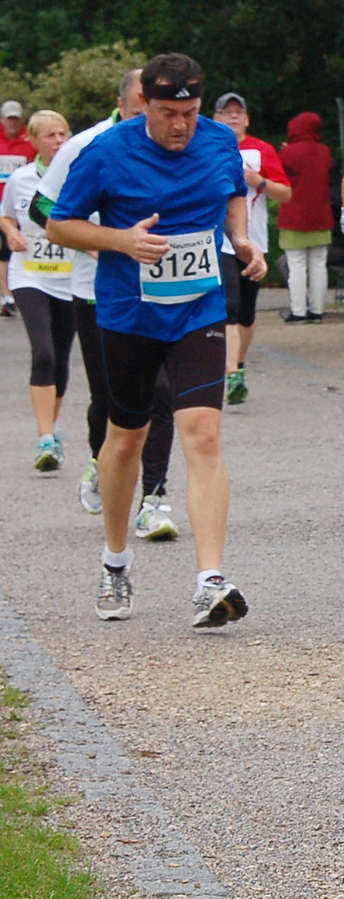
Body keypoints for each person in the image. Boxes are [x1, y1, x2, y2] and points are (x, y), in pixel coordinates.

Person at [48, 52, 269, 627]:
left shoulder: (219, 142)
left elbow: (233, 192)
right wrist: (122, 241)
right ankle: (115, 561)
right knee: (126, 439)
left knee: (204, 431)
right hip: (128, 316)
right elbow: (58, 224)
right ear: (143, 103)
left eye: (191, 112)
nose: (181, 125)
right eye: (169, 112)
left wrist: (242, 240)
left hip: (199, 309)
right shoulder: (106, 152)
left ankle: (209, 580)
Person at [29, 69, 178, 528]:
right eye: (147, 102)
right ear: (130, 99)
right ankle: (103, 461)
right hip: (97, 293)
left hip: (163, 290)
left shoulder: (178, 142)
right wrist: (102, 241)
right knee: (111, 401)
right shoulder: (85, 145)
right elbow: (42, 207)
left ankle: (153, 497)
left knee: (161, 394)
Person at [1, 109, 74, 470]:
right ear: (34, 141)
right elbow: (6, 214)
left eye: (63, 134)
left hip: (69, 278)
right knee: (43, 353)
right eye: (51, 136)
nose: (59, 141)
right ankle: (44, 436)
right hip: (29, 276)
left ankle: (54, 427)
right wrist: (11, 231)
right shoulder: (22, 179)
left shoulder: (79, 177)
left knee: (60, 358)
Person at [212, 93, 291, 403]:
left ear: (246, 119)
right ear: (215, 118)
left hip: (253, 240)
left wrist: (259, 182)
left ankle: (238, 363)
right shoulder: (210, 147)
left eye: (238, 112)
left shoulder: (262, 150)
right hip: (220, 240)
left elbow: (285, 193)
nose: (232, 117)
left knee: (246, 311)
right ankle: (231, 373)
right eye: (226, 112)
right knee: (228, 306)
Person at [275, 111, 331, 338]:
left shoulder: (289, 152)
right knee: (319, 265)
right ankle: (317, 310)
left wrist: (284, 150)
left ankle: (298, 311)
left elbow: (281, 175)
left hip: (293, 215)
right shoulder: (324, 151)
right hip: (320, 215)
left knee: (296, 265)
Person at [0, 99, 38, 317]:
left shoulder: (28, 142)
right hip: (1, 202)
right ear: (2, 120)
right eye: (8, 119)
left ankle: (11, 294)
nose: (12, 123)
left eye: (16, 119)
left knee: (10, 247)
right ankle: (6, 294)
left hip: (19, 205)